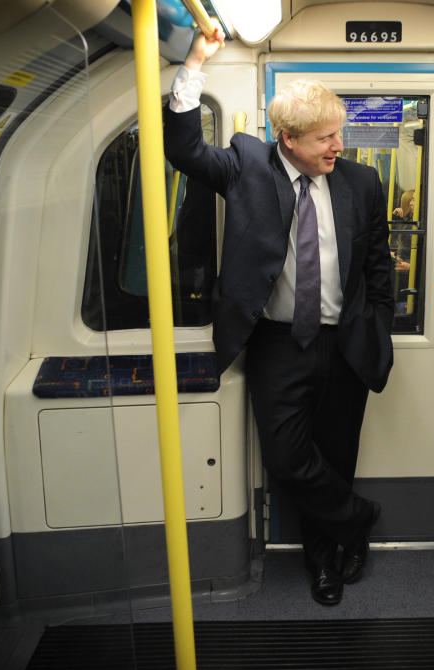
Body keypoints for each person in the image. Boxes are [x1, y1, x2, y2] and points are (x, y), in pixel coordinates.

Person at [164, 24, 394, 606]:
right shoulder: (246, 165)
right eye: (324, 138)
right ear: (288, 139)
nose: (338, 147)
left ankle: (328, 562)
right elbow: (184, 150)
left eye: (339, 134)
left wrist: (379, 325)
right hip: (276, 342)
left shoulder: (362, 182)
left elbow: (378, 264)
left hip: (345, 343)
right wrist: (195, 64)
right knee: (290, 458)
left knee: (338, 455)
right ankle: (355, 521)